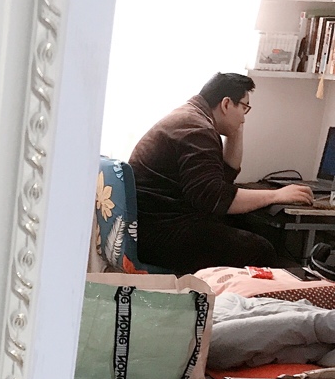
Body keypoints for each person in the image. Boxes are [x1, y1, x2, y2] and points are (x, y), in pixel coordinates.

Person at [129, 72, 314, 273]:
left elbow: (224, 177)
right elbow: (215, 198)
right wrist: (277, 195)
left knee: (252, 226)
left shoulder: (192, 118)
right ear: (226, 104)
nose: (244, 118)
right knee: (261, 250)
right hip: (160, 234)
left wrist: (235, 130)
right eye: (244, 107)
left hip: (157, 224)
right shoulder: (197, 130)